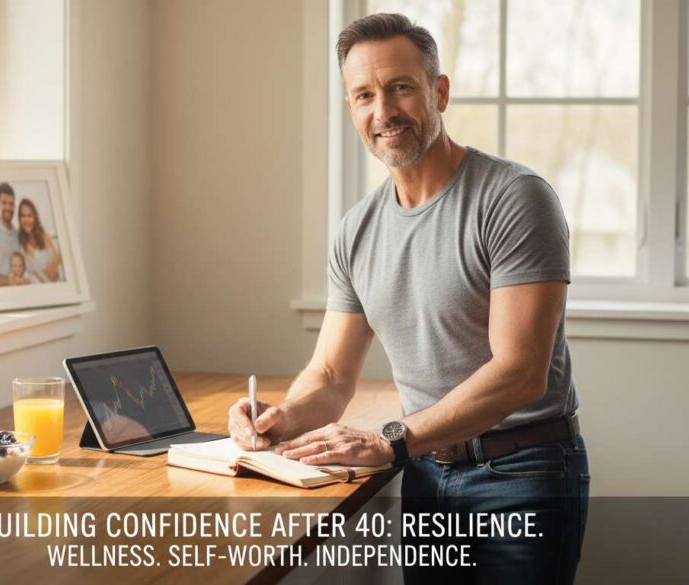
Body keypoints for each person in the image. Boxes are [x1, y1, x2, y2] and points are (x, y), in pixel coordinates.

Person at [227, 13, 588, 584]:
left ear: (438, 92)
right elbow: (330, 372)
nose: (384, 112)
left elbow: (520, 373)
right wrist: (283, 419)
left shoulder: (515, 199)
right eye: (364, 95)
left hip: (522, 474)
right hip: (426, 473)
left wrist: (386, 440)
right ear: (351, 110)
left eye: (400, 87)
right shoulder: (357, 229)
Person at [17, 198, 63, 283]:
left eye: (29, 215)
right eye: (23, 216)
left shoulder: (45, 237)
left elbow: (60, 256)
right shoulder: (19, 244)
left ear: (35, 217)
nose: (26, 220)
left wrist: (55, 265)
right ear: (19, 218)